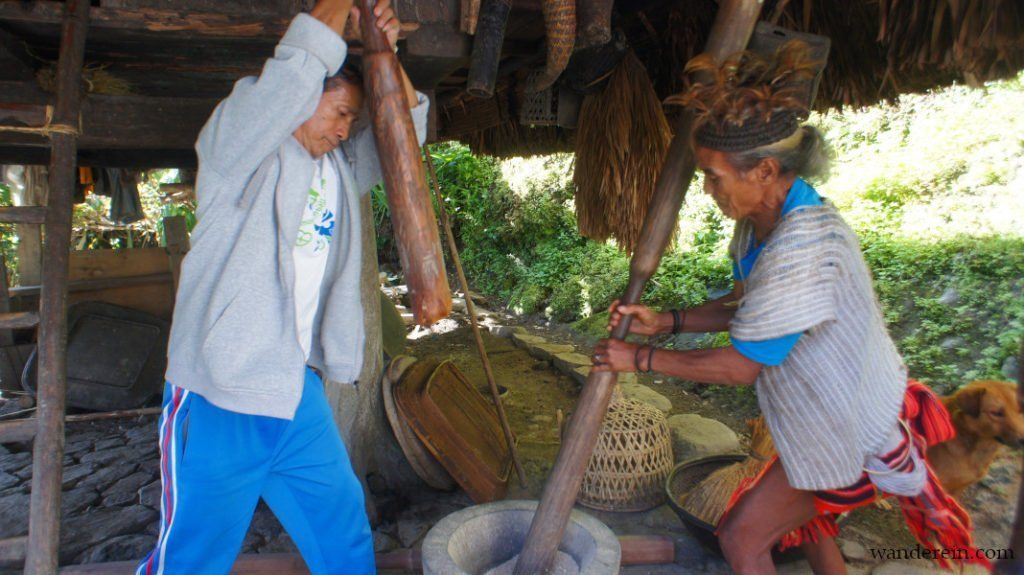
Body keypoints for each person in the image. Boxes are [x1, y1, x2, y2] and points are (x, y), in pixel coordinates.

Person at [591, 43, 986, 574]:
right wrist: (667, 322)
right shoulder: (758, 224)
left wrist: (637, 359)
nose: (706, 189)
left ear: (765, 170)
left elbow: (743, 364)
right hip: (823, 412)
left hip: (851, 422)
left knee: (741, 538)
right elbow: (746, 307)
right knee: (810, 524)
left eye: (713, 176)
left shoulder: (804, 249)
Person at [135, 0, 428, 573]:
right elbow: (290, 72)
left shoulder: (338, 170)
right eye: (339, 110)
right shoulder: (236, 156)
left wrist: (382, 52)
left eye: (352, 117)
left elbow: (403, 141)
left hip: (294, 390)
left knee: (342, 529)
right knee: (196, 552)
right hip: (222, 390)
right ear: (299, 95)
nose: (345, 127)